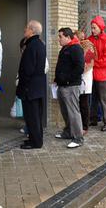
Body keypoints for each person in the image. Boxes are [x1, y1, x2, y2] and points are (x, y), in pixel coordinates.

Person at [16, 20, 47, 149]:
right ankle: (35, 139)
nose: (24, 30)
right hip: (38, 87)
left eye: (26, 28)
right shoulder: (40, 44)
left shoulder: (31, 46)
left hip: (30, 88)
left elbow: (27, 69)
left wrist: (22, 84)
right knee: (36, 116)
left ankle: (35, 142)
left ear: (32, 31)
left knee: (32, 116)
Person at [54, 28, 85, 148]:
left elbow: (79, 68)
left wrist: (67, 79)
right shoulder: (65, 48)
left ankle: (78, 138)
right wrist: (58, 80)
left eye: (60, 37)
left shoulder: (76, 48)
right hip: (62, 85)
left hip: (71, 86)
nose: (59, 39)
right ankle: (68, 132)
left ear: (68, 37)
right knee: (65, 111)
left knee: (73, 112)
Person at [87, 16, 106, 131]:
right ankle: (93, 119)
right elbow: (87, 55)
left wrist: (94, 63)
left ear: (100, 27)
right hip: (91, 74)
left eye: (94, 28)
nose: (92, 30)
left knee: (104, 100)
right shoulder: (90, 39)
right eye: (91, 28)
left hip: (102, 75)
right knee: (93, 99)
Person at [74, 30, 96, 135]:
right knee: (82, 103)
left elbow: (87, 64)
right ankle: (81, 125)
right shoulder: (79, 46)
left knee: (84, 103)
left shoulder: (87, 46)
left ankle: (85, 126)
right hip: (80, 79)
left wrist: (77, 71)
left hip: (84, 79)